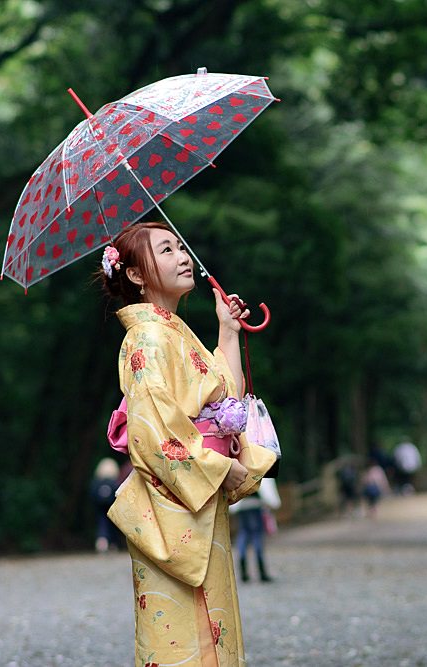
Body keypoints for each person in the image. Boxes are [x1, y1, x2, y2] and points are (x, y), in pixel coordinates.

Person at [98, 221, 277, 667]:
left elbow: (224, 399)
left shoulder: (173, 330)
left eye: (180, 246)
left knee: (211, 624)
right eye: (165, 250)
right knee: (180, 636)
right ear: (137, 275)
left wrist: (228, 331)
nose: (182, 256)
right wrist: (219, 467)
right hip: (176, 501)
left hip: (198, 496)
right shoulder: (148, 337)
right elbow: (152, 431)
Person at [230, 478, 281, 583]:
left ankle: (243, 571)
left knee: (243, 534)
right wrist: (273, 501)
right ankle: (262, 571)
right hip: (255, 504)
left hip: (241, 504)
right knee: (257, 536)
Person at [90, 457, 122, 553]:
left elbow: (92, 495)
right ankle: (113, 544)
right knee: (113, 523)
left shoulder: (96, 483)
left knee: (102, 522)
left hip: (100, 507)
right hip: (112, 507)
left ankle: (102, 542)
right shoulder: (114, 482)